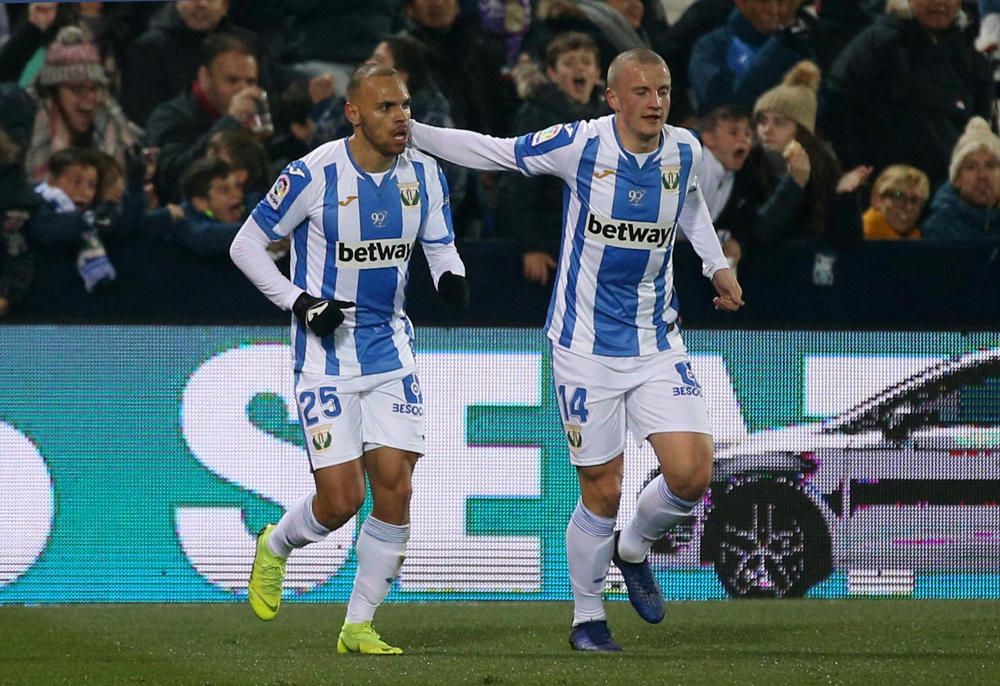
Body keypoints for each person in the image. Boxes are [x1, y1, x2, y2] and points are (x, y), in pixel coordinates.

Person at [409, 48, 744, 652]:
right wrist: (416, 133)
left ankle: (634, 547)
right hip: (583, 347)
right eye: (641, 92)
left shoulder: (686, 148)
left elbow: (690, 205)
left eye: (663, 91)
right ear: (612, 98)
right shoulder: (581, 145)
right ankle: (587, 618)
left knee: (693, 473)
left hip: (657, 341)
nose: (655, 103)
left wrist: (716, 265)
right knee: (603, 488)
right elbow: (496, 151)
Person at [230, 62, 469, 655]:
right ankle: (276, 545)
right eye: (387, 107)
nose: (401, 118)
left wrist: (452, 278)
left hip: (391, 352)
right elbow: (246, 245)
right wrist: (300, 301)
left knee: (396, 486)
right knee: (342, 501)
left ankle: (358, 624)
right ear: (354, 113)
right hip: (326, 358)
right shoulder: (313, 173)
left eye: (406, 105)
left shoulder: (426, 175)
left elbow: (440, 247)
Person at [497, 31, 610, 288]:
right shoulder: (534, 116)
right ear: (552, 74)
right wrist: (531, 246)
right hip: (551, 244)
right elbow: (519, 185)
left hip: (598, 245)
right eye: (569, 63)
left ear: (597, 72)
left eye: (586, 62)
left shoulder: (612, 119)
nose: (579, 68)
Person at [922, 116, 1000, 241]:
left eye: (990, 166)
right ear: (957, 180)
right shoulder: (940, 229)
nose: (982, 175)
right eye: (971, 167)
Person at [863, 165, 930, 240]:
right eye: (898, 196)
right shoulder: (859, 239)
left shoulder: (916, 237)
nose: (908, 207)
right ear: (876, 200)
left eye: (915, 200)